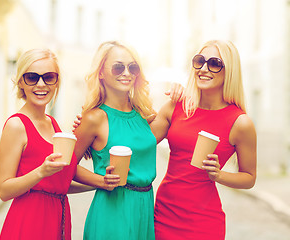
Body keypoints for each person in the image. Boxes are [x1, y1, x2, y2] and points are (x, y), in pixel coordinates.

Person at [71, 40, 183, 240]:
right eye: (118, 67)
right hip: (112, 211)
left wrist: (181, 91)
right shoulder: (94, 118)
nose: (127, 73)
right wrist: (101, 181)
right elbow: (67, 166)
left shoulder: (142, 115)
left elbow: (178, 115)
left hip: (145, 208)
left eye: (133, 67)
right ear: (101, 72)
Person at [152, 40, 257, 240]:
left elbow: (249, 178)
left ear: (229, 71)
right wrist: (94, 122)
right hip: (164, 214)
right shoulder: (176, 106)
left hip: (203, 223)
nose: (204, 69)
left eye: (215, 63)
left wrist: (218, 175)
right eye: (199, 61)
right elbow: (140, 141)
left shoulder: (240, 123)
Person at [0, 49, 77, 240]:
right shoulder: (16, 124)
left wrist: (102, 183)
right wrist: (40, 171)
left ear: (57, 82)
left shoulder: (52, 123)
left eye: (49, 77)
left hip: (58, 217)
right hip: (29, 223)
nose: (41, 84)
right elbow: (4, 190)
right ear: (20, 82)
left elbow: (57, 183)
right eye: (32, 77)